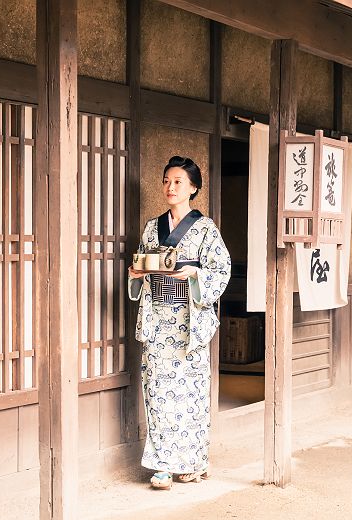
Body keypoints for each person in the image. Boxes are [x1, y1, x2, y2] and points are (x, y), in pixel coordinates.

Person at [128, 156, 231, 490]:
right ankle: (162, 465)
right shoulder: (151, 227)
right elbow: (141, 265)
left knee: (190, 393)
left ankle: (193, 461)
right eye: (167, 180)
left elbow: (221, 270)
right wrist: (136, 274)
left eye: (179, 182)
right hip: (159, 317)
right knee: (157, 391)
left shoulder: (205, 229)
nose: (171, 187)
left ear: (193, 188)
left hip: (189, 322)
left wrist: (196, 273)